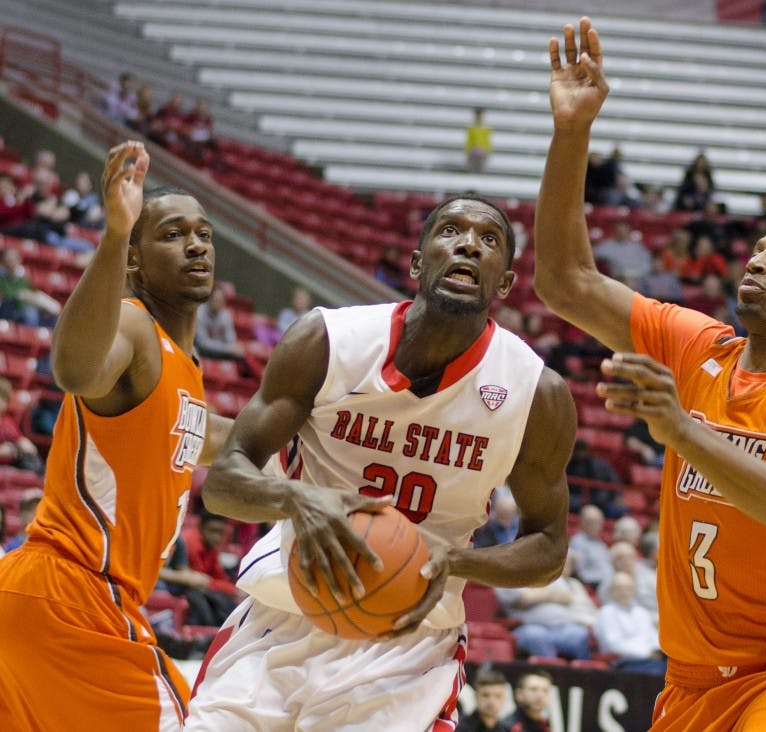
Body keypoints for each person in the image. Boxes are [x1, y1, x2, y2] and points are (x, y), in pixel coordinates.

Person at [534, 19, 766, 731]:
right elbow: (565, 282)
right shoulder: (698, 347)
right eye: (758, 249)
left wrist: (680, 430)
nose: (757, 260)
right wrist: (573, 133)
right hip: (689, 683)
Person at [185, 195, 576, 730]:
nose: (467, 244)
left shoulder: (535, 393)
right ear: (417, 264)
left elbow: (549, 549)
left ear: (504, 284)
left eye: (489, 240)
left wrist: (454, 562)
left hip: (410, 642)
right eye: (451, 231)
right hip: (285, 609)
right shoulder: (328, 340)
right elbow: (225, 483)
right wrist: (297, 498)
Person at [0, 140, 231, 729]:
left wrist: (316, 431)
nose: (196, 244)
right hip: (75, 594)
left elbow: (206, 436)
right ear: (136, 260)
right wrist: (113, 235)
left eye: (203, 233)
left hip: (40, 596)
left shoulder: (184, 366)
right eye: (174, 234)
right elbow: (75, 372)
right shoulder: (135, 325)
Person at [593, 571, 667, 676]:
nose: (624, 591)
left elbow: (652, 637)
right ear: (611, 591)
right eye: (619, 588)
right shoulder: (606, 613)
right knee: (660, 670)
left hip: (650, 660)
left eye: (628, 587)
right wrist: (646, 653)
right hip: (623, 664)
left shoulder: (641, 612)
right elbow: (613, 644)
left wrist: (657, 651)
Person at [458, 667, 512, 732]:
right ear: (475, 696)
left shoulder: (506, 729)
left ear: (504, 698)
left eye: (498, 696)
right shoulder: (459, 727)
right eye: (485, 695)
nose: (492, 701)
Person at [1, 487, 42, 553]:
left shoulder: (51, 546)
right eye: (30, 510)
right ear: (21, 514)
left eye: (39, 509)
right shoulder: (11, 548)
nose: (35, 514)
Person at [465, 107, 493, 174]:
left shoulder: (486, 129)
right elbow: (469, 140)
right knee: (473, 165)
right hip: (473, 150)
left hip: (482, 150)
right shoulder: (471, 128)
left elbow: (487, 140)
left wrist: (489, 150)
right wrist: (467, 149)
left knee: (481, 165)